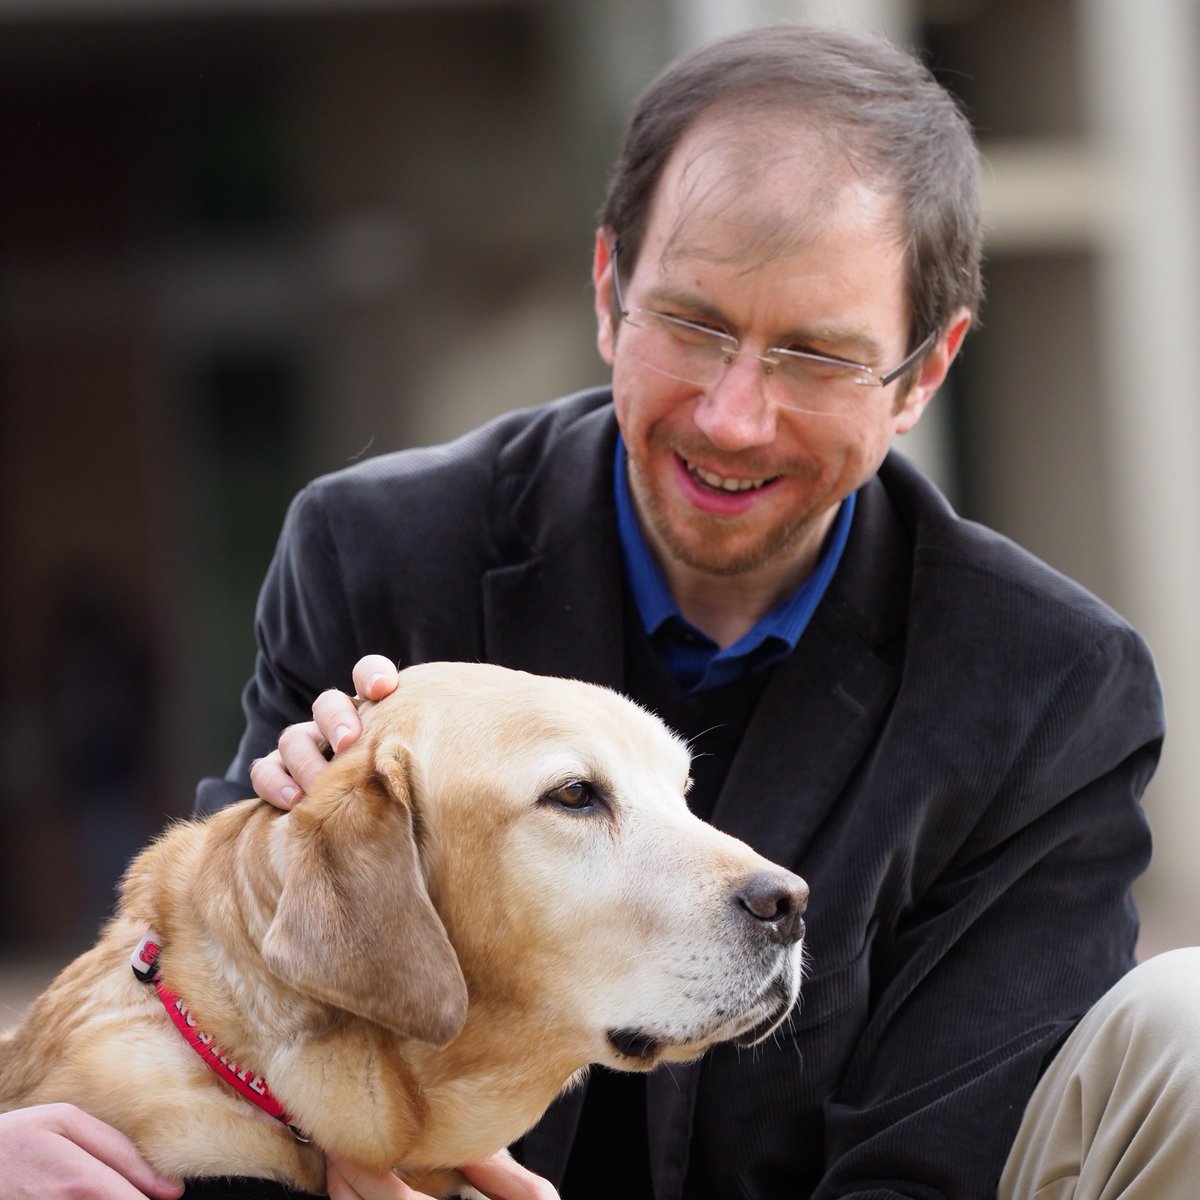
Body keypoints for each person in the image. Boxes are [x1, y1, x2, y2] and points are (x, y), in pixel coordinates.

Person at [7, 21, 1195, 1200]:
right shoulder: (381, 549)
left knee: (1186, 1028)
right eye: (692, 324)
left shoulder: (1050, 684)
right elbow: (228, 1009)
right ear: (607, 290)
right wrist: (305, 848)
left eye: (817, 356)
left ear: (924, 373)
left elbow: (944, 1161)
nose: (733, 418)